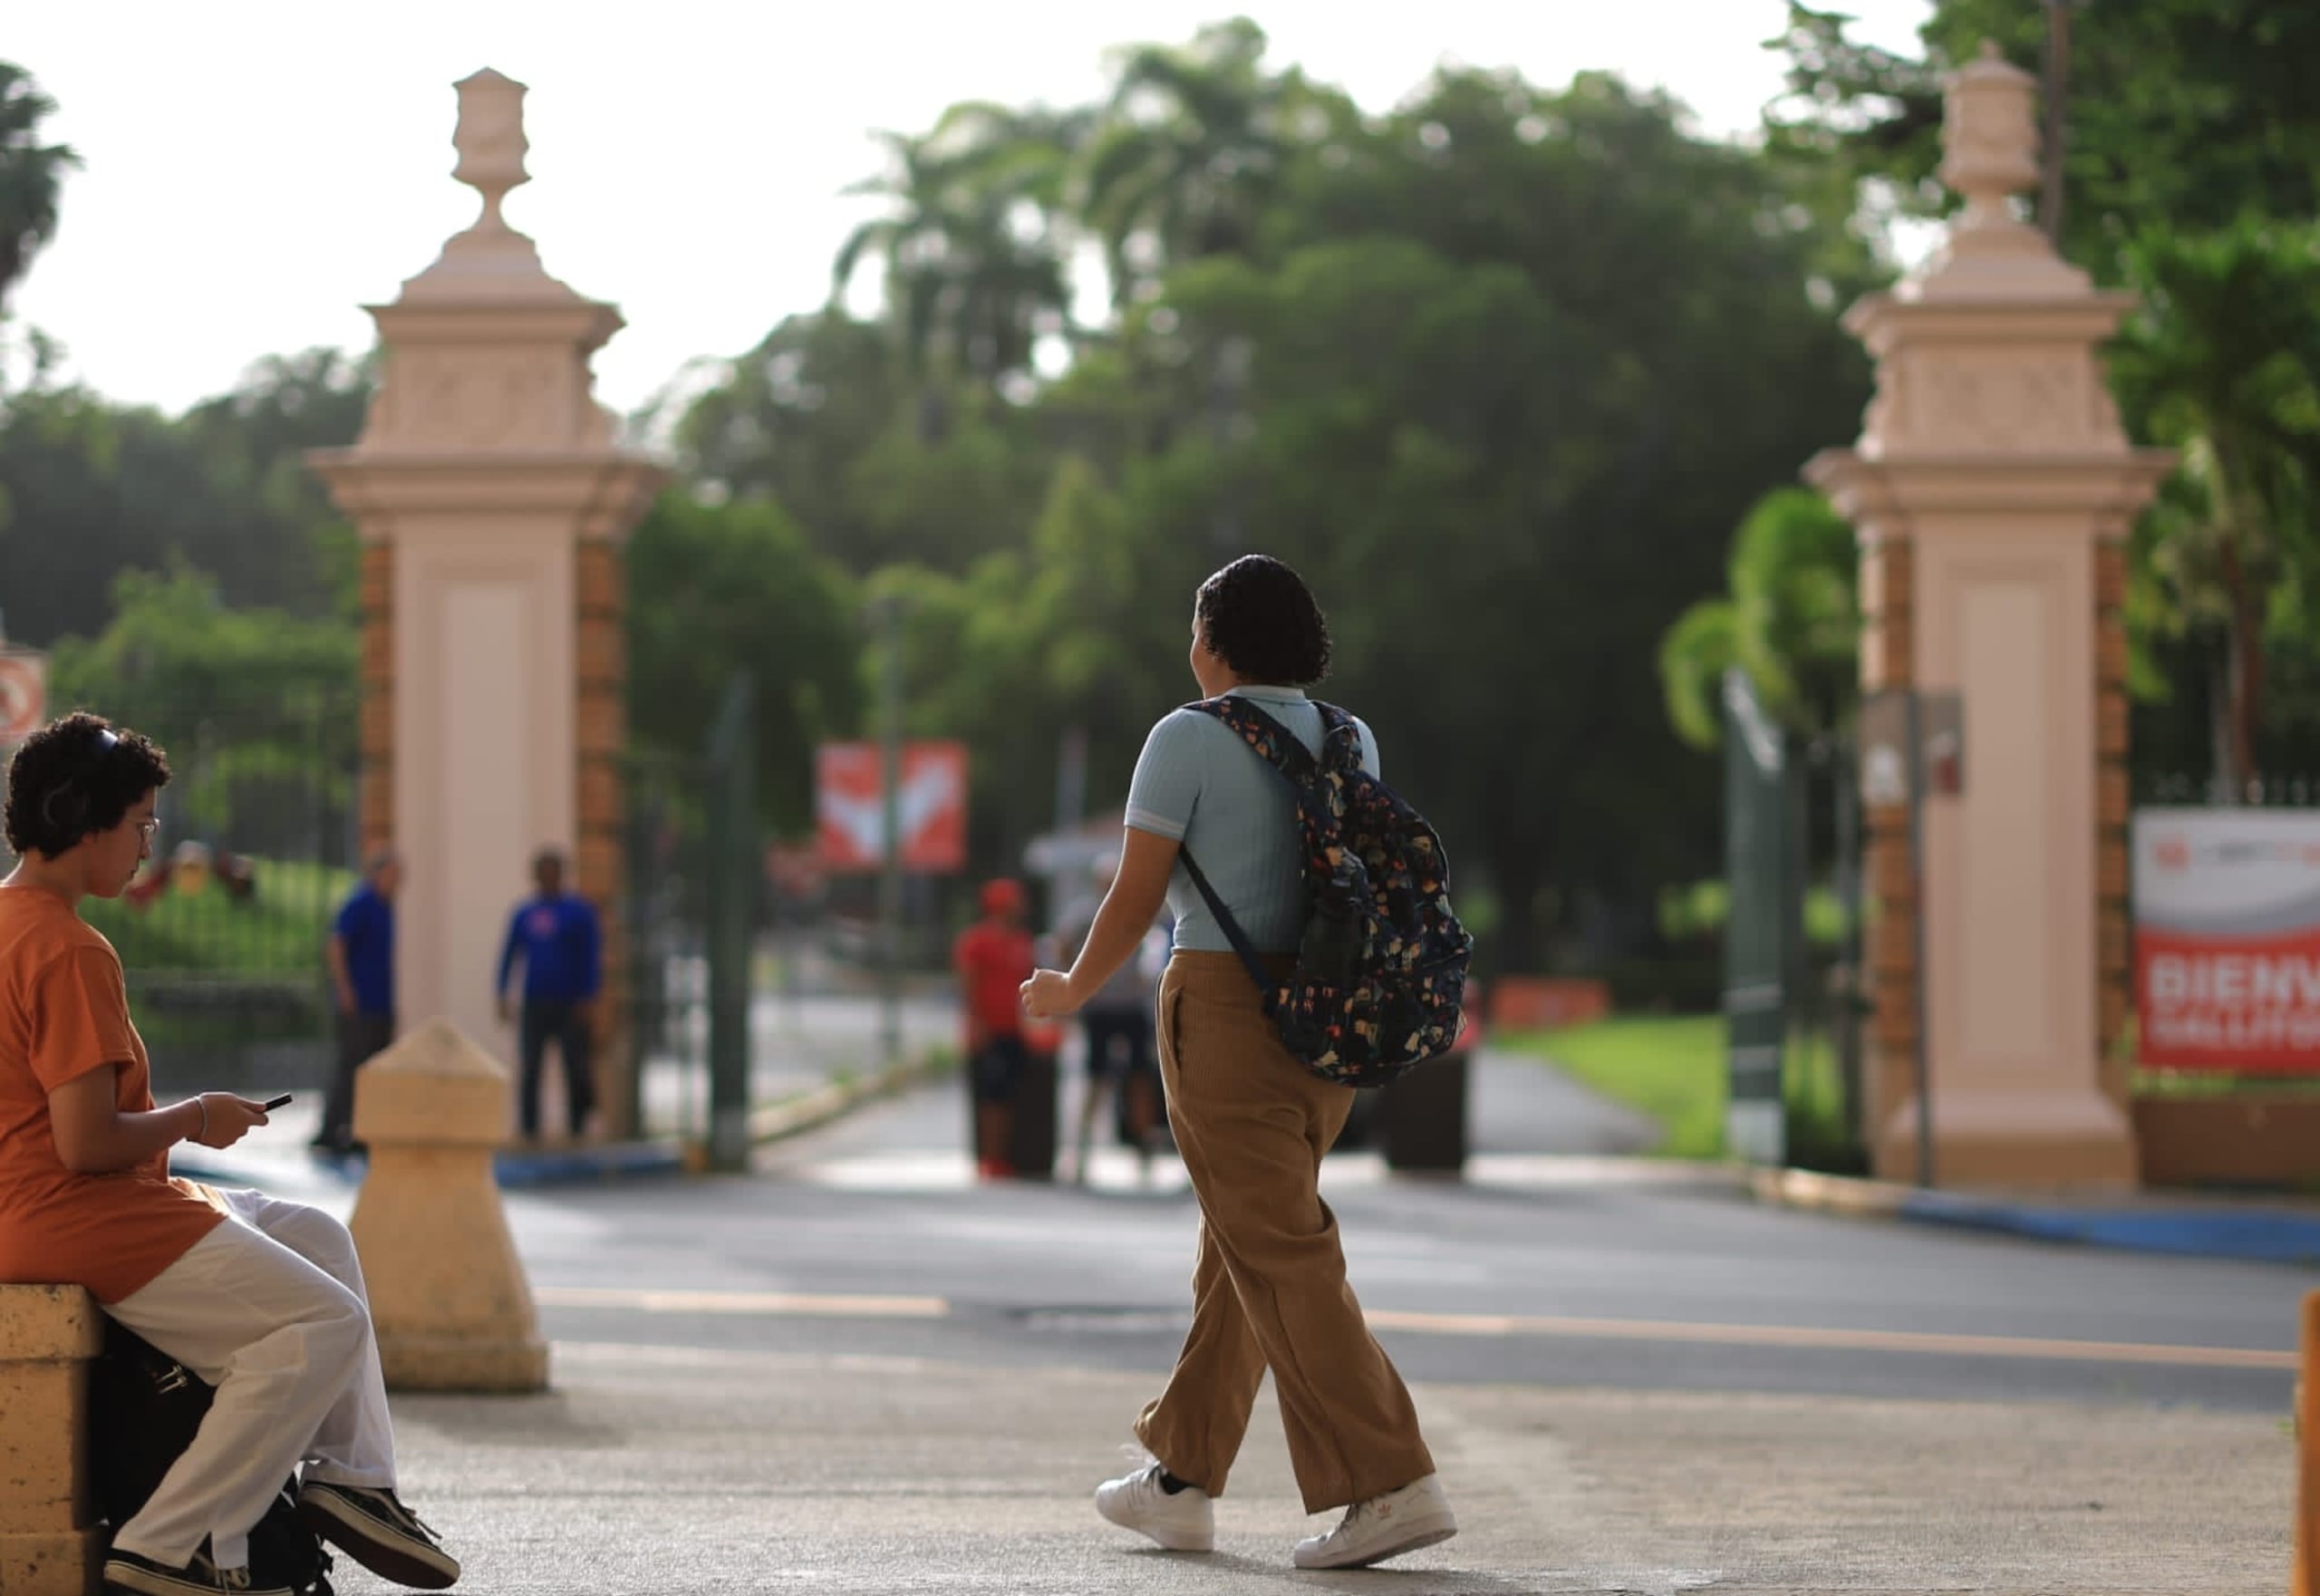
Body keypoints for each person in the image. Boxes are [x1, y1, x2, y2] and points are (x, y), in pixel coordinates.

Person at [1021, 554, 1457, 1572]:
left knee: (1281, 1250)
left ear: (1212, 640)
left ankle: (1390, 1480)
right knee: (1249, 1246)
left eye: (1193, 628)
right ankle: (1180, 1478)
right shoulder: (1350, 736)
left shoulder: (1185, 737)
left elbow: (1134, 897)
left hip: (1223, 1010)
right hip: (1330, 1011)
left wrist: (1073, 988)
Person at [0, 712, 459, 1596]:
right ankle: (175, 1541)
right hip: (81, 1219)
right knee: (326, 1323)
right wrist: (193, 1118)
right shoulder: (67, 950)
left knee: (319, 1234)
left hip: (53, 1211)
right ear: (80, 818)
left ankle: (354, 1484)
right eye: (139, 824)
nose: (147, 847)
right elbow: (87, 1143)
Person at [1049, 854, 1164, 1185]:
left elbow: (1154, 953)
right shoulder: (1086, 914)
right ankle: (1082, 1153)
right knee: (1097, 1079)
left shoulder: (1138, 911)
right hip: (1101, 1006)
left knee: (1139, 1080)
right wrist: (1075, 979)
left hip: (1129, 1006)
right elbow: (1061, 944)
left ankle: (1144, 1151)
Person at [495, 848, 602, 1144]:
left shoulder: (579, 911)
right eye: (543, 872)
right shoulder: (525, 913)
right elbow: (509, 954)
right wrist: (502, 992)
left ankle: (578, 1126)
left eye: (553, 872)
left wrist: (588, 996)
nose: (548, 878)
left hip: (570, 1003)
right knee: (531, 1066)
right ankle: (530, 1129)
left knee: (575, 1066)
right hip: (535, 1001)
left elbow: (591, 957)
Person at [315, 848, 400, 1156]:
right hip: (358, 1002)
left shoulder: (389, 906)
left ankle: (362, 1131)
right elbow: (337, 945)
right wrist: (345, 989)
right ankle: (331, 1130)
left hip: (381, 1002)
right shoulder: (361, 903)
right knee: (350, 1067)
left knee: (373, 1071)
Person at [953, 877, 1034, 1181]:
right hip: (990, 1031)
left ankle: (1006, 1155)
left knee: (1010, 1094)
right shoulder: (977, 941)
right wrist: (977, 1023)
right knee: (991, 1097)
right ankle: (990, 1157)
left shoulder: (1022, 941)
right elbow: (968, 984)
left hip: (1015, 1029)